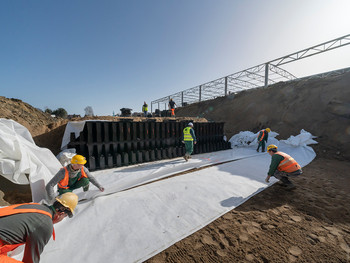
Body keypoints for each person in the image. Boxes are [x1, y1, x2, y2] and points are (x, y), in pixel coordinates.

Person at [0, 192, 78, 263]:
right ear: (62, 213)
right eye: (65, 216)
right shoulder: (45, 224)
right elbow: (31, 260)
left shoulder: (36, 207)